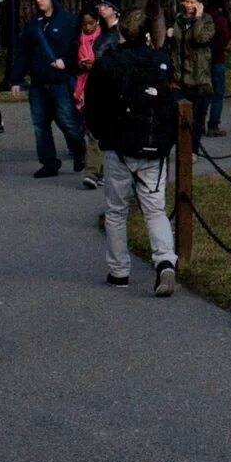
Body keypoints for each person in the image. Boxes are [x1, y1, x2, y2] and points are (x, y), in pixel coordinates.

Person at [83, 28, 181, 297]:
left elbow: (93, 106)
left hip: (118, 145)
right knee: (155, 209)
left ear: (122, 34)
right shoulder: (159, 60)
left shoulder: (109, 63)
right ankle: (164, 260)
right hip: (153, 148)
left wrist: (100, 134)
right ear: (146, 34)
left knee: (116, 211)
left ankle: (119, 271)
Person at [8, 0, 86, 181]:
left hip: (60, 81)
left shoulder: (68, 22)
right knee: (40, 125)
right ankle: (49, 162)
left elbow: (77, 49)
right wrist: (15, 79)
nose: (38, 0)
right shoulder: (33, 25)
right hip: (38, 83)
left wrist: (67, 63)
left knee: (68, 121)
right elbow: (23, 52)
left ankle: (79, 150)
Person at [169, 0, 217, 146]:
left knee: (196, 120)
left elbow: (199, 38)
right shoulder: (178, 20)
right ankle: (181, 146)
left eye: (192, 2)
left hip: (198, 77)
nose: (188, 5)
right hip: (179, 76)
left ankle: (193, 149)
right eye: (186, 2)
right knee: (176, 115)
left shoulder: (207, 20)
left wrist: (197, 18)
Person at [205, 0, 231, 135]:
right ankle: (213, 125)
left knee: (203, 94)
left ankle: (198, 123)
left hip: (204, 60)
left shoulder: (203, 18)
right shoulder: (220, 20)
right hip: (217, 59)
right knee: (218, 94)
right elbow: (224, 39)